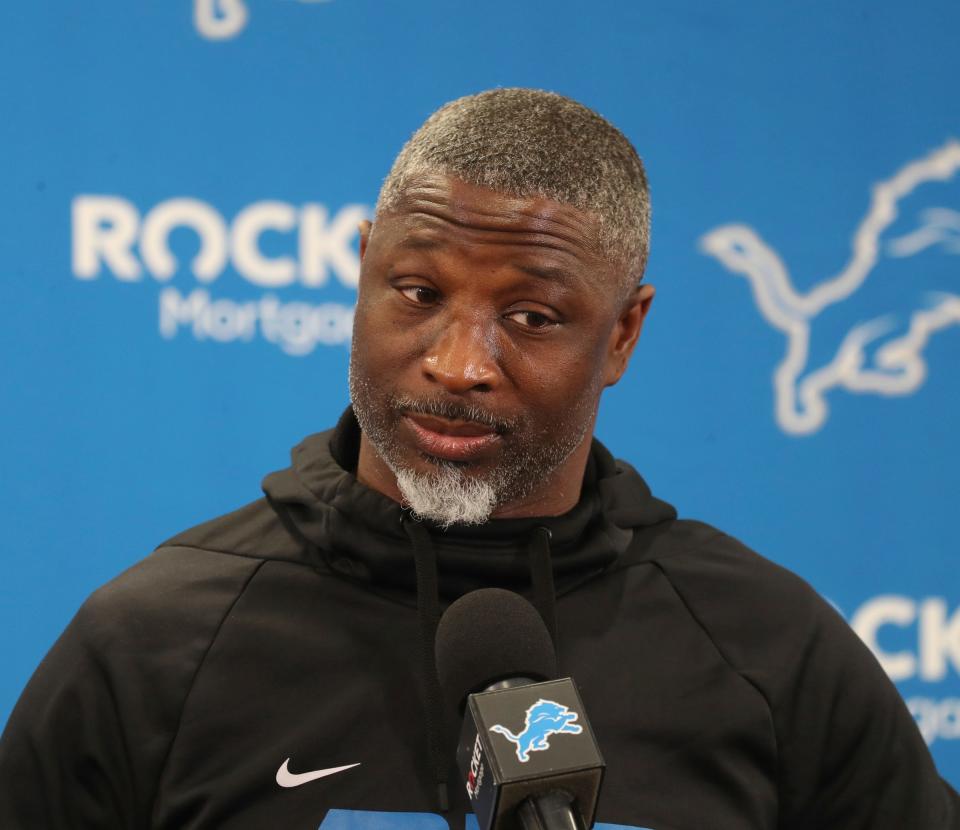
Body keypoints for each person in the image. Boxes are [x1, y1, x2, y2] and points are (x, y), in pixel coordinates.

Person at [1, 88, 957, 830]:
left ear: (623, 335)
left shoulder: (768, 653)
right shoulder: (155, 646)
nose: (459, 365)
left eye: (531, 318)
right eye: (416, 292)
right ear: (365, 267)